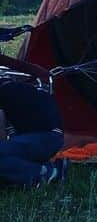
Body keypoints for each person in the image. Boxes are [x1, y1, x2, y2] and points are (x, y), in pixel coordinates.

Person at [0, 56, 66, 188]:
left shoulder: (3, 90)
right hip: (49, 136)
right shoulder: (11, 85)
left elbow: (0, 129)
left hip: (43, 137)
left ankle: (46, 172)